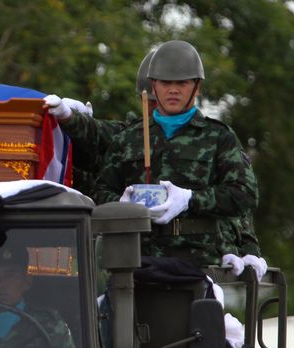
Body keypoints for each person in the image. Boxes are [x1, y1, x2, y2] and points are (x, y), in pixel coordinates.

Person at [93, 40, 258, 267]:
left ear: (197, 87)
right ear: (153, 87)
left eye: (182, 82)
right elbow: (100, 192)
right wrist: (122, 203)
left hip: (198, 261)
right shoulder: (128, 138)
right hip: (135, 261)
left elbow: (245, 195)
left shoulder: (218, 137)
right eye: (165, 82)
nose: (173, 90)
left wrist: (190, 199)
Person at [43, 50, 156, 196]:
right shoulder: (128, 135)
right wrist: (72, 119)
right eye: (152, 102)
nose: (159, 106)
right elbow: (99, 133)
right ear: (142, 99)